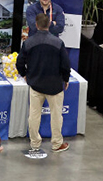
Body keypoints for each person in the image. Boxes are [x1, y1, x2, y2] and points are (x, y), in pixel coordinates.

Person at [18, 13, 71, 154]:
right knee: (56, 115)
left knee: (34, 115)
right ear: (49, 25)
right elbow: (66, 65)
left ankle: (35, 144)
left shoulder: (28, 43)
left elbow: (19, 62)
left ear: (36, 25)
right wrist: (65, 79)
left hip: (35, 84)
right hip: (55, 86)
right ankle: (57, 144)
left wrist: (24, 75)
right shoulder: (58, 43)